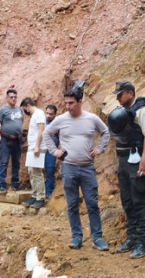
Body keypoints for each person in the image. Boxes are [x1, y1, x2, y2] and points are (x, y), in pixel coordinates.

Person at [43, 86, 110, 251]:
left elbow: (106, 132)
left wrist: (99, 149)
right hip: (68, 167)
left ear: (81, 102)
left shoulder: (92, 118)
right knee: (72, 204)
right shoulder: (61, 119)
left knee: (92, 203)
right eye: (66, 103)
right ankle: (76, 236)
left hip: (87, 167)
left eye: (71, 103)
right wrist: (55, 151)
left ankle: (97, 237)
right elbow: (46, 134)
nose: (68, 106)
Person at [108, 80, 145, 259]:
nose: (118, 98)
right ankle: (132, 237)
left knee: (140, 200)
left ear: (130, 93)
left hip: (137, 161)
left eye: (120, 94)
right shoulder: (124, 114)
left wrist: (144, 160)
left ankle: (143, 241)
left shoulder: (143, 111)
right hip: (124, 161)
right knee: (127, 201)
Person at [0, 89, 24, 193]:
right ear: (7, 98)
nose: (13, 99)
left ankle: (15, 184)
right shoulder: (3, 110)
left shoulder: (19, 110)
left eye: (15, 97)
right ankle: (2, 185)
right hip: (6, 140)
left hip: (17, 140)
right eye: (11, 97)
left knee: (16, 163)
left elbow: (21, 122)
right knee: (4, 162)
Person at [20, 98, 47, 208]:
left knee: (36, 172)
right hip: (33, 147)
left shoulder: (39, 113)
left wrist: (36, 146)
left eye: (24, 109)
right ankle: (35, 195)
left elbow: (41, 130)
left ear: (27, 106)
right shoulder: (35, 115)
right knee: (31, 171)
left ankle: (41, 197)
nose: (24, 111)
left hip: (37, 147)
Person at [44, 104, 59, 198]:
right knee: (38, 171)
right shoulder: (41, 122)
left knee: (50, 170)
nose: (48, 116)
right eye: (47, 113)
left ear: (55, 114)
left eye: (51, 114)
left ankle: (49, 192)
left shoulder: (58, 123)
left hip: (52, 151)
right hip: (41, 149)